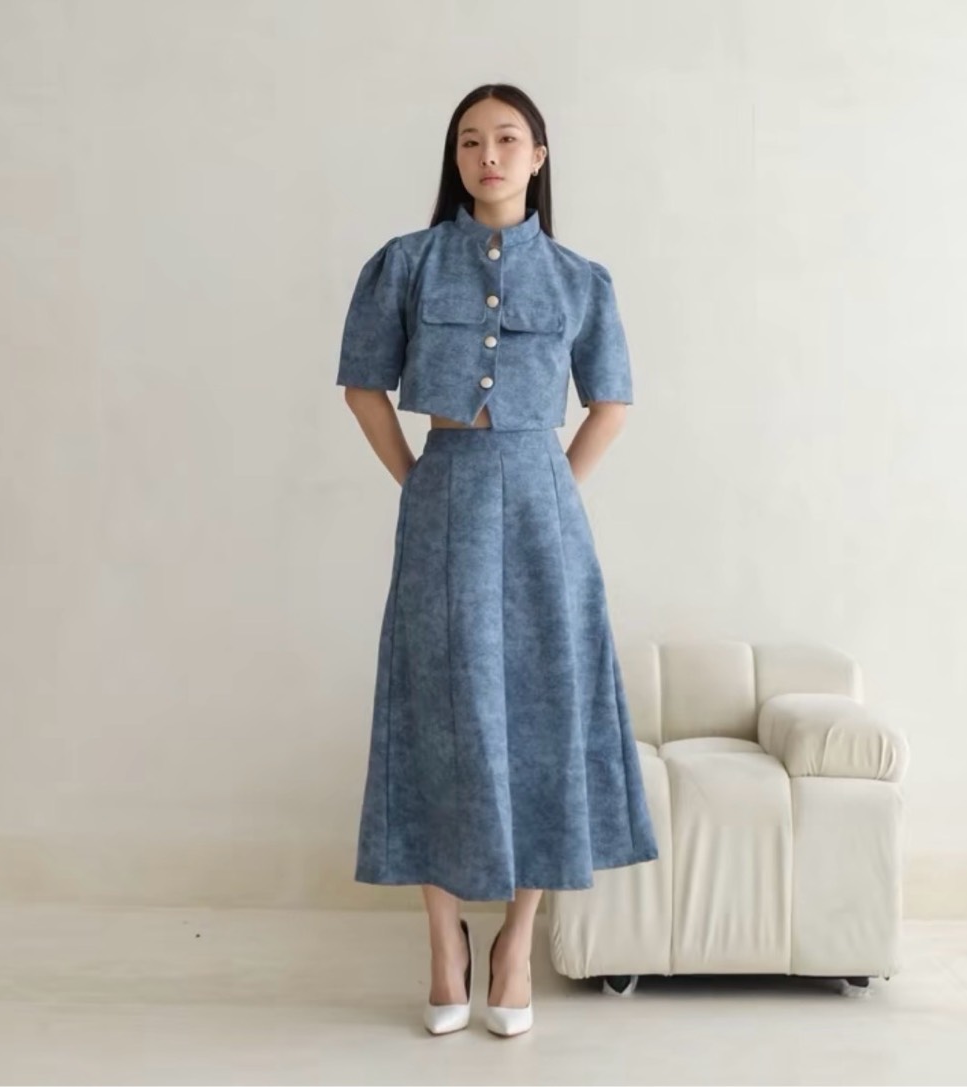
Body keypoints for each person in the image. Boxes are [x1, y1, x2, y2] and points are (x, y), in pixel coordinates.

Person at [336, 83, 660, 1037]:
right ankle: (445, 940)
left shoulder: (579, 279)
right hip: (443, 496)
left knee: (546, 713)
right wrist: (417, 479)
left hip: (543, 512)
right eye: (471, 140)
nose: (489, 155)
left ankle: (517, 940)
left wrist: (554, 487)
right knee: (438, 712)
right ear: (456, 157)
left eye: (508, 139)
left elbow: (612, 402)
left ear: (538, 155)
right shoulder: (405, 263)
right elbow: (362, 387)